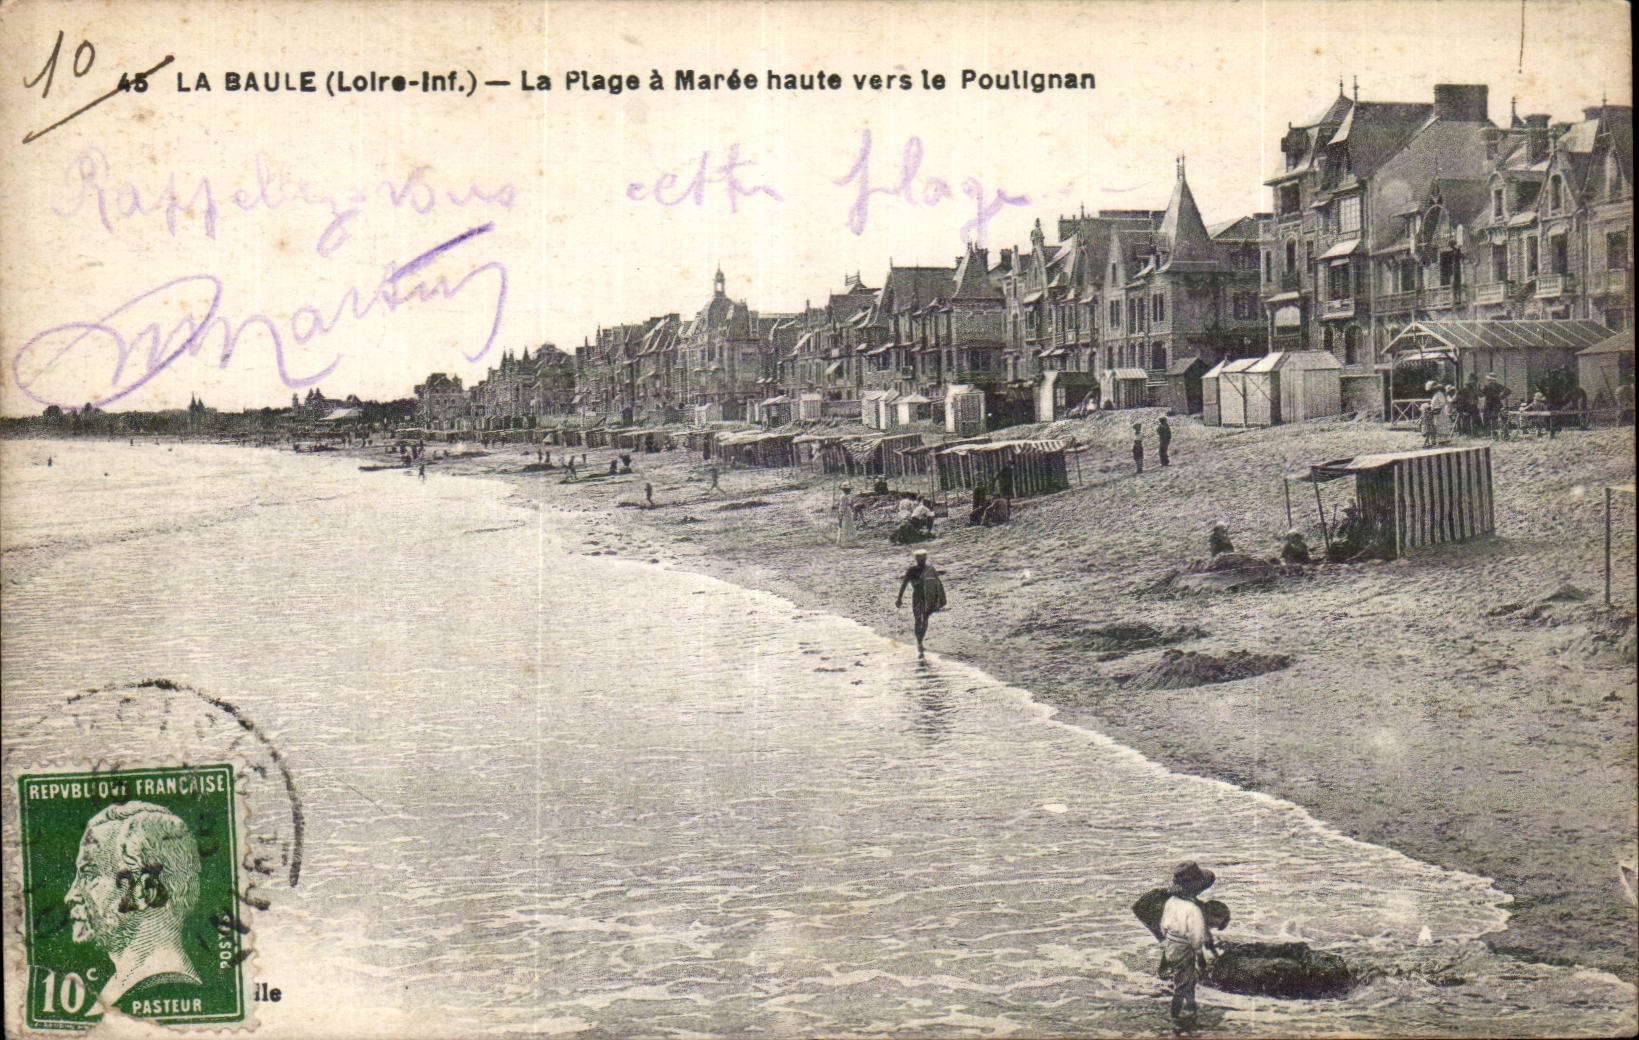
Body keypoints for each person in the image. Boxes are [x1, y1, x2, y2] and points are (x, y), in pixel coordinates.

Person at [65, 802, 203, 1006]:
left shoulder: (161, 989)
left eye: (90, 874)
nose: (71, 895)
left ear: (145, 891)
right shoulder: (120, 987)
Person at [1157, 861, 1219, 1029]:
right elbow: (1196, 937)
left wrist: (1171, 938)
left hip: (1171, 946)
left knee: (1186, 979)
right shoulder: (1193, 910)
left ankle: (1191, 1007)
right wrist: (1199, 954)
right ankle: (1175, 1016)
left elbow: (1163, 927)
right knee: (1182, 984)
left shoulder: (1170, 902)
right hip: (1185, 950)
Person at [895, 548, 945, 657]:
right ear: (916, 559)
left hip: (929, 598)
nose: (921, 561)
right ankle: (919, 642)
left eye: (923, 559)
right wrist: (899, 598)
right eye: (919, 559)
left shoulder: (930, 569)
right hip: (917, 598)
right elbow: (904, 584)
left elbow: (938, 585)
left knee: (925, 619)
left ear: (925, 558)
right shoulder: (912, 571)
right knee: (918, 620)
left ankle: (920, 640)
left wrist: (939, 599)